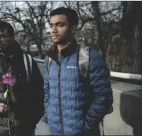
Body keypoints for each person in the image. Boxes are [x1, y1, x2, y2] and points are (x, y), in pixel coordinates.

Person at [43, 7, 113, 135]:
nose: (53, 30)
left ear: (73, 27)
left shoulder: (89, 56)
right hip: (55, 131)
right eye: (51, 25)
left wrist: (86, 126)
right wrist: (48, 115)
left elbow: (104, 97)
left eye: (60, 25)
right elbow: (47, 91)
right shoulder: (49, 59)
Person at [0, 19, 44, 136]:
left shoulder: (27, 61)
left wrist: (32, 119)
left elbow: (41, 93)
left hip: (26, 128)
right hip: (0, 129)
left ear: (11, 37)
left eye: (2, 37)